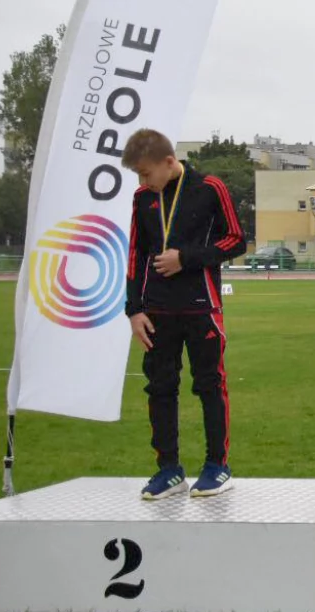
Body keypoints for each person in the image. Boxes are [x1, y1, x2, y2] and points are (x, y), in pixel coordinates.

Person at [122, 128, 247, 500]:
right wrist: (134, 310)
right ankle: (169, 470)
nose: (143, 181)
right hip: (156, 312)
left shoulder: (209, 187)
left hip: (201, 306)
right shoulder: (143, 198)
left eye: (146, 173)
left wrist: (186, 258)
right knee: (160, 388)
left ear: (168, 162)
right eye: (139, 176)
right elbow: (136, 257)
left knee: (209, 384)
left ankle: (217, 467)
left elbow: (235, 239)